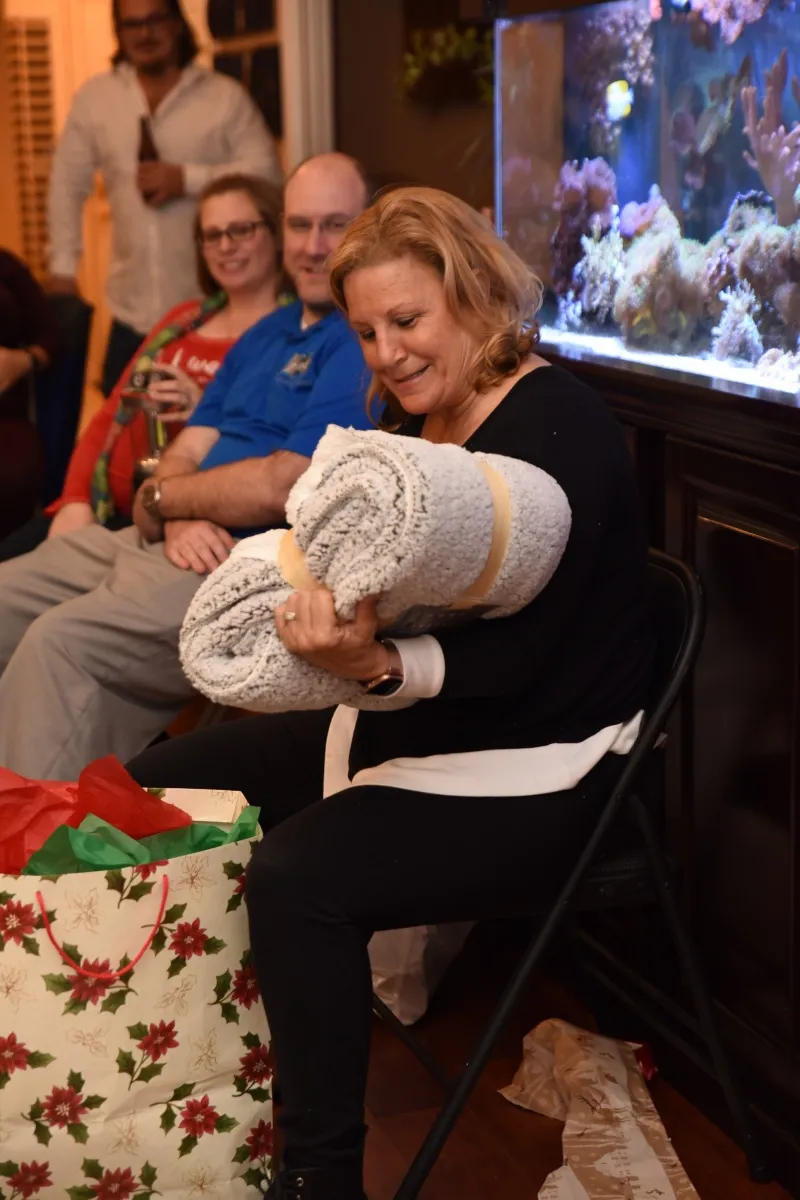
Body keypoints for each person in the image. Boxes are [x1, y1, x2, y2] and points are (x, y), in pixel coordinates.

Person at [126, 187, 655, 1200]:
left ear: (475, 292)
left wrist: (373, 666)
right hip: (421, 716)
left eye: (406, 321)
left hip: (545, 762)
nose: (387, 353)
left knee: (297, 879)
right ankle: (188, 1086)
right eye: (366, 331)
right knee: (158, 786)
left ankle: (318, 1178)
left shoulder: (561, 426)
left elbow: (529, 662)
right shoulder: (412, 419)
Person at [0, 152, 373, 780]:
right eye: (300, 224)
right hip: (161, 534)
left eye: (334, 225)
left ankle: (26, 834)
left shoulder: (362, 337)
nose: (314, 246)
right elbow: (187, 448)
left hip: (240, 561)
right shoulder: (264, 333)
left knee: (59, 643)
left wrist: (170, 499)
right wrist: (170, 506)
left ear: (366, 229)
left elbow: (284, 482)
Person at [0, 173, 285, 563]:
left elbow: (271, 450)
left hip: (173, 524)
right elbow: (108, 416)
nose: (225, 246)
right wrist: (75, 500)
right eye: (212, 235)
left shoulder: (290, 336)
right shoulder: (182, 321)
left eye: (241, 230)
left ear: (276, 234)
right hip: (101, 507)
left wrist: (205, 408)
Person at [46, 0, 281, 397]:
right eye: (132, 24)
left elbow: (268, 177)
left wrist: (186, 179)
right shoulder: (96, 99)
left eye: (155, 20)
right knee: (123, 426)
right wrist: (63, 266)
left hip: (213, 308)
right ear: (119, 32)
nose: (145, 33)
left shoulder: (224, 98)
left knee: (216, 421)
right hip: (130, 315)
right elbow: (66, 184)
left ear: (177, 24)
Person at [0, 249, 60, 540]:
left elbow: (51, 336)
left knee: (12, 475)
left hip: (7, 418)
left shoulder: (5, 265)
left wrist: (25, 359)